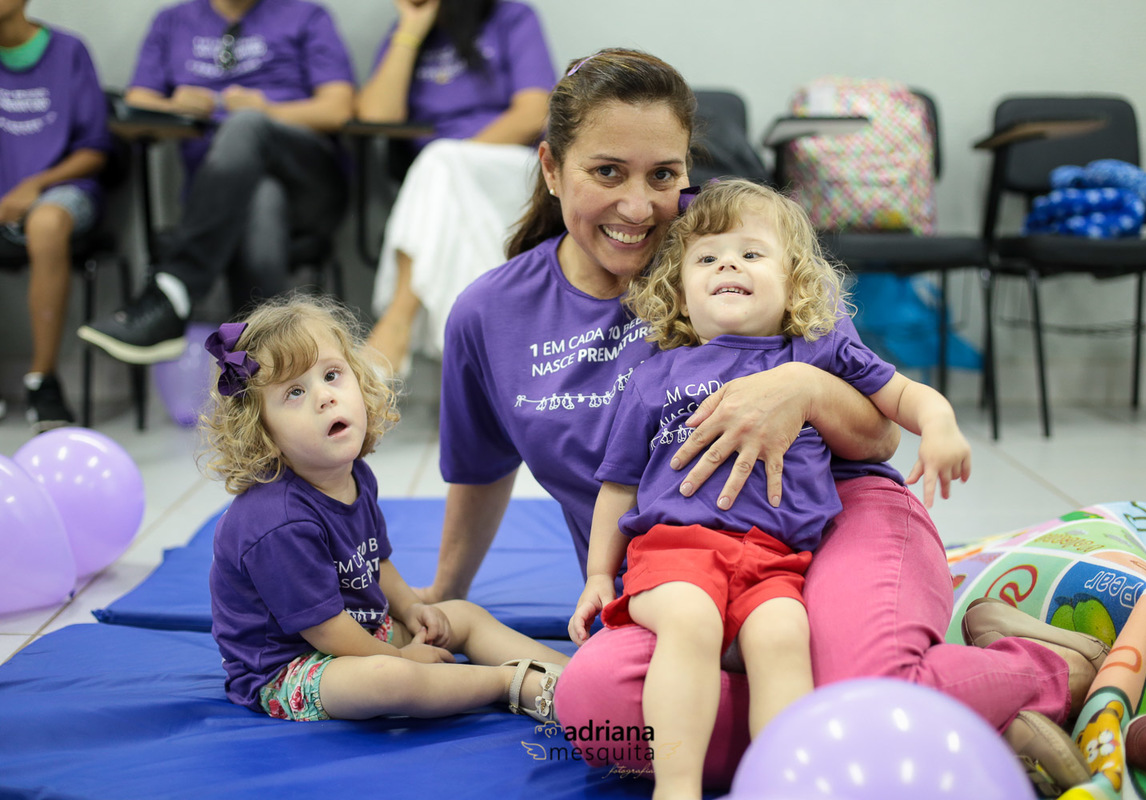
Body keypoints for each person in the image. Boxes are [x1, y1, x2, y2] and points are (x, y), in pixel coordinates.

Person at [425, 48, 1107, 795]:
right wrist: (436, 605)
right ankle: (926, 704)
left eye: (664, 175)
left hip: (834, 518)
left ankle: (1038, 673)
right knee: (597, 711)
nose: (638, 206)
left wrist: (803, 388)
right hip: (682, 573)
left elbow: (880, 433)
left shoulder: (738, 246)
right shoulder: (491, 314)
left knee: (844, 674)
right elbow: (481, 470)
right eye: (607, 172)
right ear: (553, 170)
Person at [568, 178, 972, 799]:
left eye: (752, 254)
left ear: (796, 284)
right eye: (707, 258)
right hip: (677, 550)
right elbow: (619, 486)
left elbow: (901, 398)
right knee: (693, 622)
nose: (728, 263)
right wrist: (600, 574)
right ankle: (676, 786)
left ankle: (785, 781)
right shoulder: (655, 375)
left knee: (784, 635)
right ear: (678, 292)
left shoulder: (817, 348)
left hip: (776, 560)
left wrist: (940, 425)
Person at [199, 293, 568, 723]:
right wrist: (405, 659)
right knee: (389, 679)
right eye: (295, 392)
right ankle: (514, 684)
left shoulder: (354, 475)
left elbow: (376, 561)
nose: (324, 397)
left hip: (359, 629)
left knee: (462, 615)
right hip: (290, 667)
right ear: (262, 431)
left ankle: (575, 674)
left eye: (332, 375)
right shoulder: (277, 522)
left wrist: (412, 609)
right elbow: (325, 630)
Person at [77, 0, 354, 365]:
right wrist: (175, 104)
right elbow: (137, 102)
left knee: (246, 125)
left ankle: (174, 290)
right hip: (225, 196)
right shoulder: (173, 21)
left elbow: (338, 108)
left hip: (308, 185)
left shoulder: (306, 15)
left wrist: (265, 110)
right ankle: (260, 370)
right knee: (260, 198)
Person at [356, 0, 555, 376]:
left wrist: (456, 158)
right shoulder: (413, 31)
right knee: (447, 192)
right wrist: (410, 31)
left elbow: (533, 110)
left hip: (511, 170)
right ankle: (478, 369)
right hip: (437, 188)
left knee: (441, 162)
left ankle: (396, 324)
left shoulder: (512, 17)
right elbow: (375, 115)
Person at [0, 0, 109, 430]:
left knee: (45, 223)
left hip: (62, 194)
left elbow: (95, 148)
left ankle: (43, 381)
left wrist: (34, 186)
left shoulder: (68, 52)